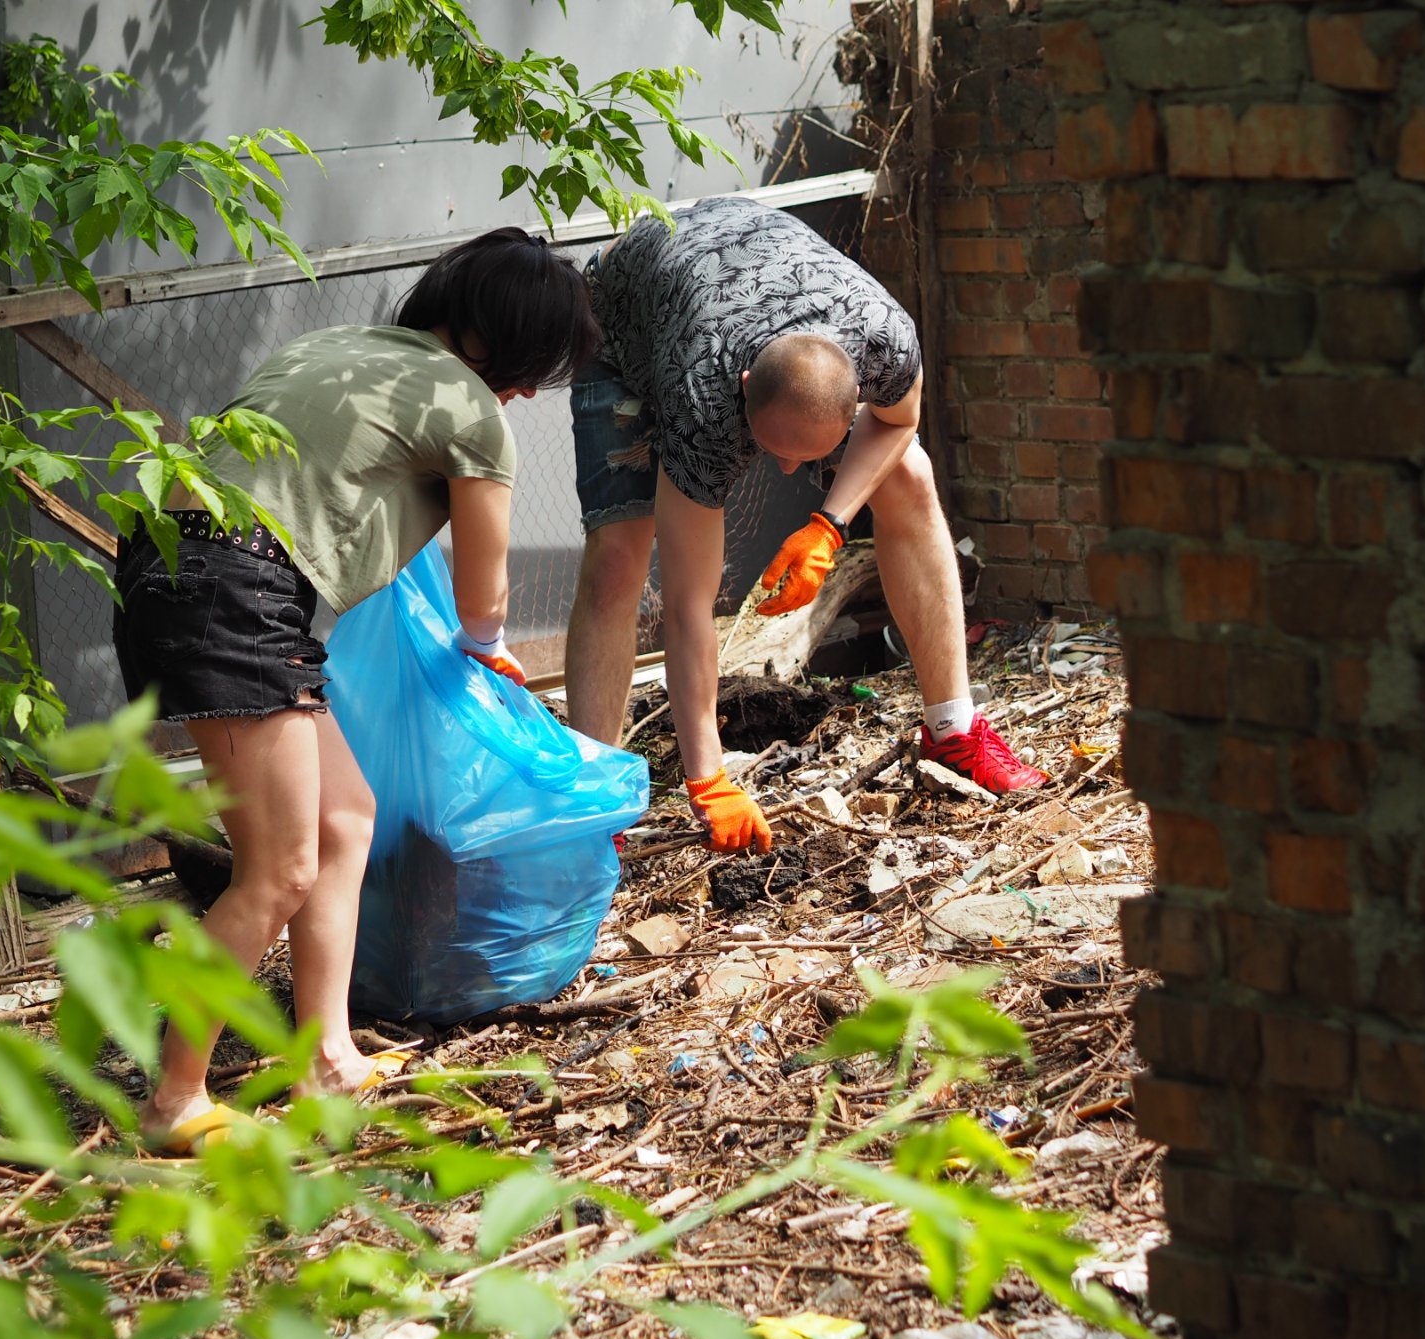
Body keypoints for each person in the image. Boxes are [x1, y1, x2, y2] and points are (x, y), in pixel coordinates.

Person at [112, 228, 599, 1151]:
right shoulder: (473, 410)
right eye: (535, 367)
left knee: (345, 820)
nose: (530, 392)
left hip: (176, 566)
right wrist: (489, 650)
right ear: (501, 345)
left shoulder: (335, 350)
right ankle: (174, 1100)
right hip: (236, 586)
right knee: (280, 867)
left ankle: (327, 1055)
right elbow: (483, 595)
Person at [565, 196, 1045, 855]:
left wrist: (828, 525)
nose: (788, 471)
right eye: (774, 449)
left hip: (750, 282)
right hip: (626, 324)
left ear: (856, 395)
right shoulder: (702, 394)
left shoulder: (884, 338)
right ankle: (593, 810)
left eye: (808, 455)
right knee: (621, 554)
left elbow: (898, 423)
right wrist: (709, 776)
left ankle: (954, 727)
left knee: (909, 476)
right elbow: (686, 605)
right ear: (741, 389)